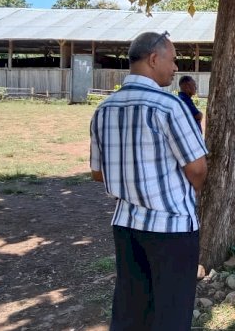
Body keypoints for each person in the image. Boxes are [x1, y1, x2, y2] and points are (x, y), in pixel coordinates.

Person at [90, 31, 208, 331]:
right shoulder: (170, 106)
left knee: (131, 309)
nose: (175, 68)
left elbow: (97, 172)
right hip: (171, 228)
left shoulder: (103, 109)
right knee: (171, 312)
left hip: (126, 225)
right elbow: (197, 168)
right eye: (172, 60)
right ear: (154, 59)